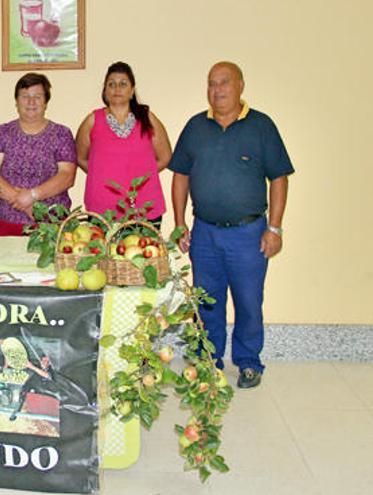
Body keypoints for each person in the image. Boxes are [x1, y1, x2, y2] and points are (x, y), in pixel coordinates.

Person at [169, 62, 293, 389]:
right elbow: (180, 175)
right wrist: (180, 223)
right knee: (207, 301)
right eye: (211, 83)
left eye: (224, 82)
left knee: (248, 301)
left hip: (249, 233)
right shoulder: (196, 127)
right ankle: (208, 360)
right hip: (205, 232)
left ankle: (249, 362)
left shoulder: (261, 126)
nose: (217, 89)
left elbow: (279, 178)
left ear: (240, 85)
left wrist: (275, 229)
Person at [75, 62, 172, 225]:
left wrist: (140, 178)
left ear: (132, 90)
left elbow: (165, 157)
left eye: (123, 84)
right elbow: (80, 158)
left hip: (143, 209)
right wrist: (101, 175)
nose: (117, 89)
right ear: (105, 91)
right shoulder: (93, 120)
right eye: (111, 84)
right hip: (103, 210)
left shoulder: (147, 118)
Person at [0, 73, 77, 236]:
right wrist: (26, 203)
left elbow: (67, 176)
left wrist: (33, 195)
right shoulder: (1, 133)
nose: (31, 102)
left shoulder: (62, 134)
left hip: (51, 221)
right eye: (25, 96)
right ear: (16, 101)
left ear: (46, 101)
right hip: (7, 221)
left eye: (37, 96)